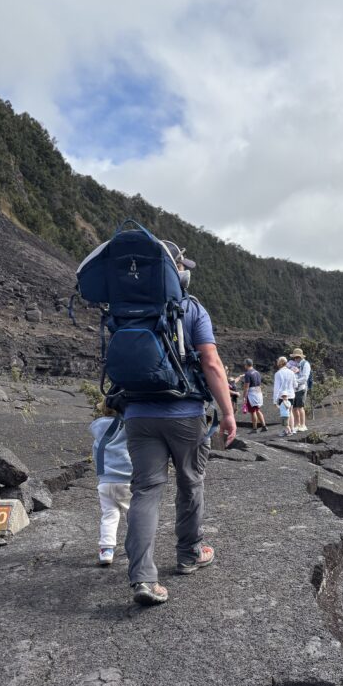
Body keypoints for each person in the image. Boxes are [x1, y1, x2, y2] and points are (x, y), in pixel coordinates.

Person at [124, 241, 236, 606]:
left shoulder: (125, 309)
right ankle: (189, 553)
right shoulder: (191, 308)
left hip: (137, 414)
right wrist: (228, 413)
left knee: (145, 491)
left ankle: (143, 578)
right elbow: (211, 363)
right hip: (184, 414)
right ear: (176, 271)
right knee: (190, 482)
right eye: (182, 265)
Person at [90, 409, 132, 566]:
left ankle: (106, 550)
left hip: (105, 482)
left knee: (109, 516)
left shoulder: (99, 434)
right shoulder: (126, 429)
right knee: (132, 515)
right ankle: (135, 547)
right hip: (126, 480)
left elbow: (96, 456)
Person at [286, 347, 311, 433]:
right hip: (294, 389)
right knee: (294, 408)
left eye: (297, 357)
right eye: (295, 357)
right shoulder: (294, 364)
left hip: (301, 388)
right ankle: (297, 425)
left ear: (301, 357)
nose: (296, 358)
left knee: (300, 407)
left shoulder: (305, 364)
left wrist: (295, 382)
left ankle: (303, 425)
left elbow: (305, 378)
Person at [272, 355, 297, 437]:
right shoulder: (291, 372)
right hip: (291, 395)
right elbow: (295, 384)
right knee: (290, 412)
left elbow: (276, 388)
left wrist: (275, 401)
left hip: (282, 396)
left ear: (279, 363)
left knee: (284, 414)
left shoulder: (278, 374)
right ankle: (292, 429)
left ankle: (287, 430)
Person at [241, 358, 267, 432]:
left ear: (246, 365)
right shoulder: (257, 372)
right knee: (258, 409)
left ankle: (254, 428)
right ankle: (264, 426)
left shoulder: (248, 373)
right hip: (258, 392)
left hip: (252, 393)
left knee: (253, 411)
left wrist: (244, 397)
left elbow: (246, 386)